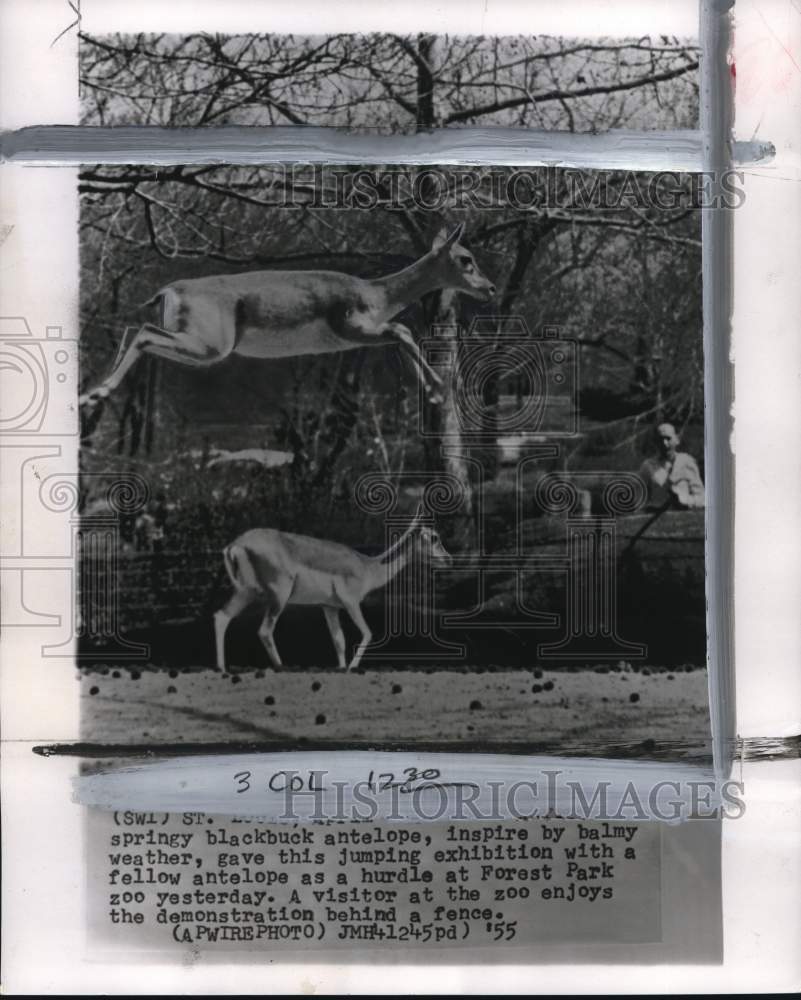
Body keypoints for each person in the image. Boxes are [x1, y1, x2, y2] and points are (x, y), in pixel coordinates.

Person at [638, 422, 705, 510]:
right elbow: (638, 502)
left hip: (684, 520)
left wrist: (684, 500)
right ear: (656, 442)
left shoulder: (687, 462)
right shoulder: (647, 466)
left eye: (668, 438)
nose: (664, 443)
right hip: (657, 520)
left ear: (677, 440)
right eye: (660, 439)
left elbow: (703, 499)